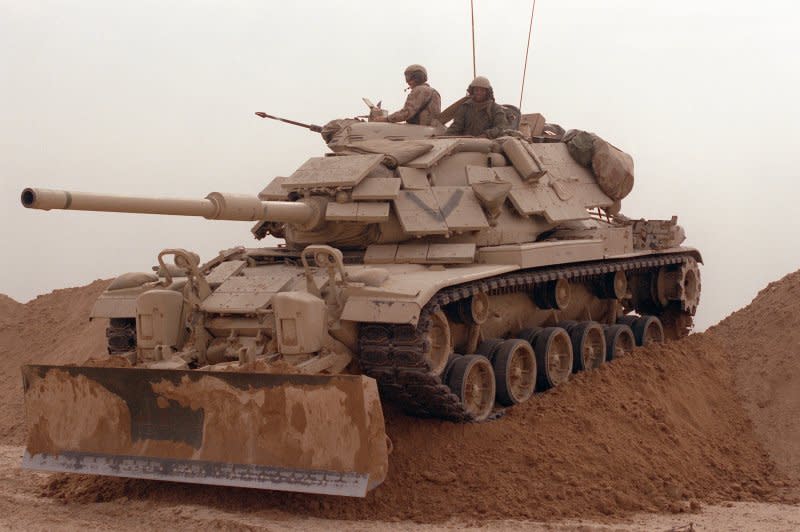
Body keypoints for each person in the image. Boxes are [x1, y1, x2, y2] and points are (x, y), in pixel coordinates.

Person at [376, 64, 441, 126]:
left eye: (408, 77)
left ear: (416, 77)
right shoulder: (434, 92)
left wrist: (386, 119)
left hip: (419, 131)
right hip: (431, 129)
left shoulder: (419, 90)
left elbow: (406, 112)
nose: (407, 82)